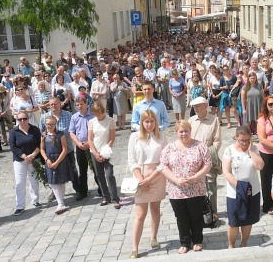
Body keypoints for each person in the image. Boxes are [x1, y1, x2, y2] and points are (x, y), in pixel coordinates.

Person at [160, 120, 212, 254]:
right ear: (176, 132)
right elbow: (163, 167)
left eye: (186, 131)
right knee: (181, 217)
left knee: (196, 216)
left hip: (196, 188)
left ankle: (197, 241)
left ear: (190, 130)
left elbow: (207, 164)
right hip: (176, 190)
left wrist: (195, 177)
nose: (184, 134)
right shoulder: (169, 148)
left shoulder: (200, 146)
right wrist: (176, 180)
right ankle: (184, 242)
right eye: (181, 131)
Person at [128, 110, 168, 259]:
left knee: (155, 209)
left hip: (157, 176)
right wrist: (141, 180)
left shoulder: (161, 137)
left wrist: (151, 179)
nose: (149, 124)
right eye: (146, 121)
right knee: (140, 214)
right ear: (142, 123)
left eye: (152, 121)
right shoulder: (134, 137)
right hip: (140, 176)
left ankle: (154, 237)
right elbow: (131, 161)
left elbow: (164, 162)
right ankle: (135, 247)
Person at [222, 126, 264, 248]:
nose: (244, 143)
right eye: (242, 140)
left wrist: (250, 151)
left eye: (247, 140)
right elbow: (226, 172)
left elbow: (260, 166)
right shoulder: (229, 150)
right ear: (236, 138)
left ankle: (244, 243)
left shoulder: (254, 149)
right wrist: (240, 186)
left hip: (252, 191)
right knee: (234, 222)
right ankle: (231, 245)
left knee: (247, 220)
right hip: (235, 191)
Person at [189, 97, 222, 221]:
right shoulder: (191, 120)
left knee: (211, 187)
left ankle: (213, 210)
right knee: (195, 186)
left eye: (198, 106)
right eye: (194, 106)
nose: (195, 109)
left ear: (205, 105)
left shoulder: (214, 120)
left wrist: (207, 154)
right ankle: (199, 210)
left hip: (208, 158)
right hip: (193, 159)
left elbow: (217, 141)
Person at [9, 112, 43, 216]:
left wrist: (32, 155)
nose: (22, 121)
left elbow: (39, 143)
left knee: (34, 181)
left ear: (28, 119)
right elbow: (13, 147)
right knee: (19, 183)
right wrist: (24, 156)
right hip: (20, 160)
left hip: (34, 158)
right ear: (17, 120)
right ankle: (20, 206)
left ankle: (35, 200)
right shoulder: (14, 131)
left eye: (24, 118)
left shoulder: (34, 129)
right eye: (20, 119)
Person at [88, 101, 120, 209]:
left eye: (99, 113)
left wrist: (105, 150)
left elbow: (112, 138)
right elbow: (90, 139)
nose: (98, 116)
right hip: (95, 152)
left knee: (109, 174)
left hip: (107, 151)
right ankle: (105, 196)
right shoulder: (91, 122)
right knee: (99, 175)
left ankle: (115, 198)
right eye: (95, 114)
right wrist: (96, 153)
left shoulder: (110, 121)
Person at [69, 96, 101, 201]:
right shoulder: (74, 117)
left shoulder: (92, 116)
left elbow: (97, 131)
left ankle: (101, 189)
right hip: (80, 146)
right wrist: (78, 143)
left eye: (81, 104)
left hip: (91, 145)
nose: (79, 106)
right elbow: (71, 132)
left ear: (86, 104)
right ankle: (83, 191)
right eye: (77, 105)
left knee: (96, 168)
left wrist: (89, 142)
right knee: (82, 169)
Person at [40, 116, 70, 215]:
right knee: (53, 182)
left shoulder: (60, 134)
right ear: (45, 124)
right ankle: (60, 202)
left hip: (59, 158)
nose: (50, 126)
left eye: (52, 124)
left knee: (60, 180)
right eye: (49, 124)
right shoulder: (44, 135)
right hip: (49, 159)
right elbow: (42, 149)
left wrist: (57, 162)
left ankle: (61, 202)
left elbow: (65, 149)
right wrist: (47, 159)